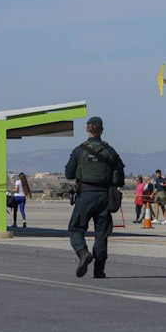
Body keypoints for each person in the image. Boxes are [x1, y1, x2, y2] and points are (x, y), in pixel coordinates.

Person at [64, 116, 125, 279]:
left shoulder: (79, 150)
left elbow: (69, 173)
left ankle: (83, 252)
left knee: (75, 228)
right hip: (104, 196)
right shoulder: (110, 151)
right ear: (102, 130)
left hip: (85, 195)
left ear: (87, 129)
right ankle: (99, 270)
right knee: (102, 233)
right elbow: (120, 178)